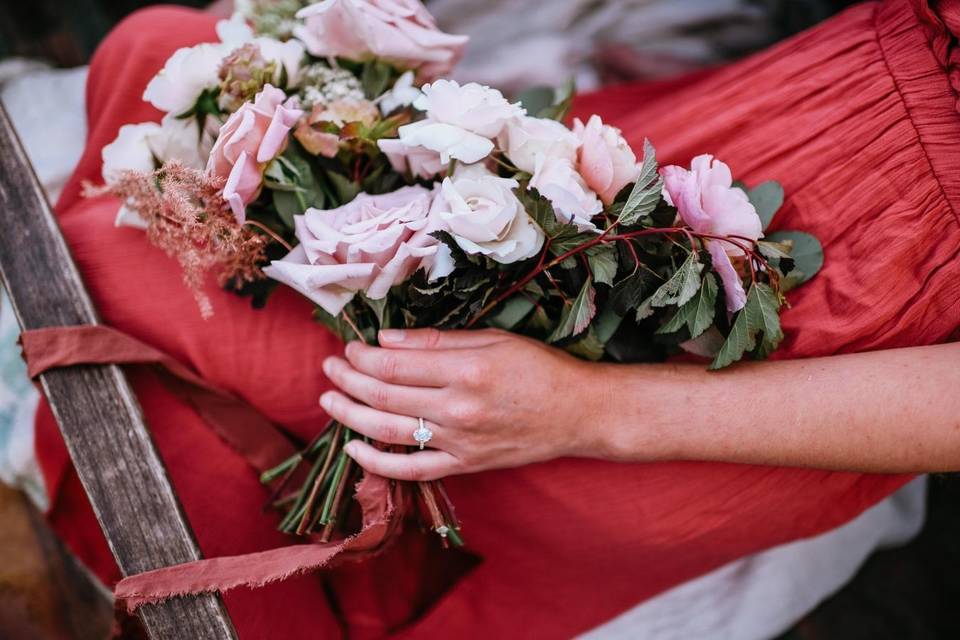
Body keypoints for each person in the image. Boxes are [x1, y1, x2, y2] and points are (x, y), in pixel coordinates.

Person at [34, 0, 960, 637]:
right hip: (751, 131)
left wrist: (586, 410)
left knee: (109, 262)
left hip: (747, 359)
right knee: (155, 53)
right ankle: (326, 525)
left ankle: (335, 579)